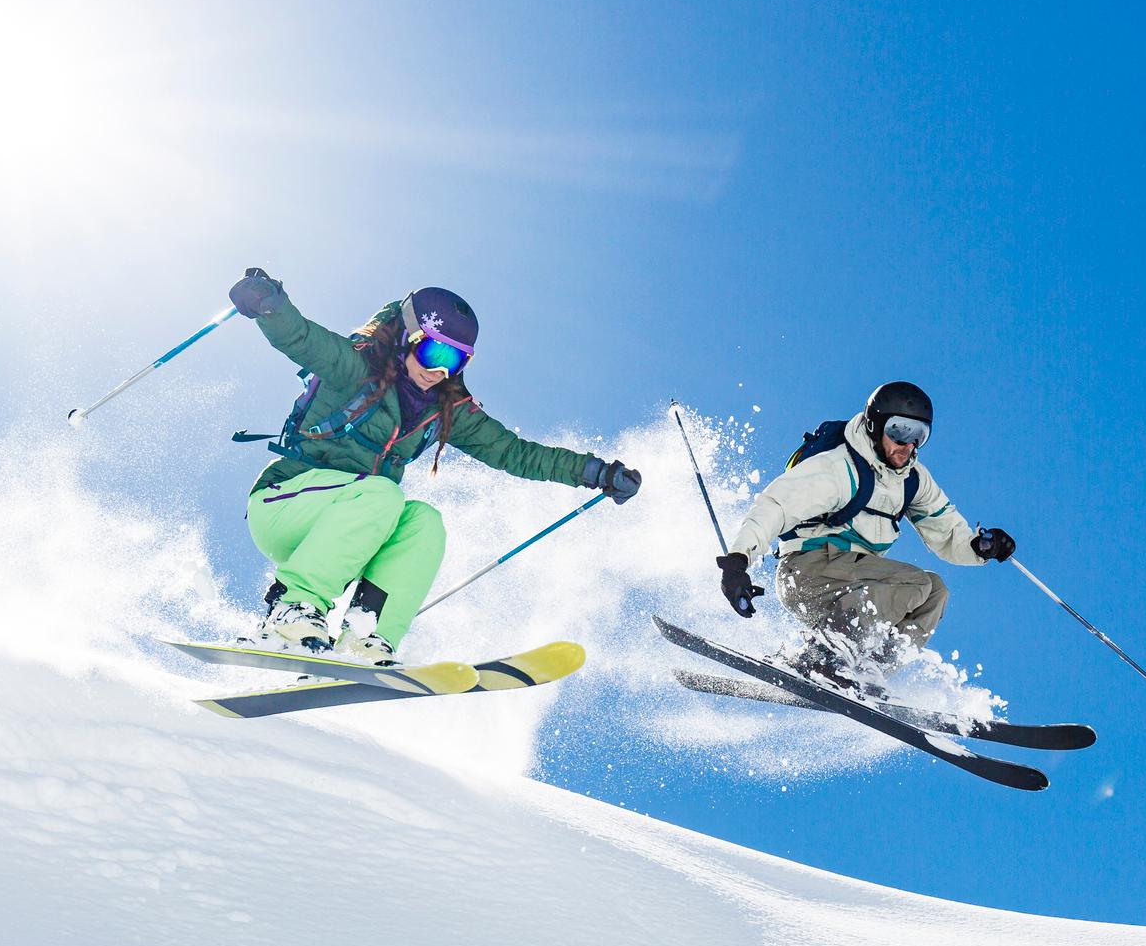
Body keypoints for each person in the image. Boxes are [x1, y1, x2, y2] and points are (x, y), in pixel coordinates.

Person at [226, 268, 639, 661]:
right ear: (407, 337)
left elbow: (515, 453)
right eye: (434, 352)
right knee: (384, 495)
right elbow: (302, 338)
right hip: (284, 505)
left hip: (347, 532)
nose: (439, 371)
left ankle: (366, 638)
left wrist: (595, 473)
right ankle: (292, 609)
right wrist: (269, 306)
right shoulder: (354, 368)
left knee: (423, 522)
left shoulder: (444, 410)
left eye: (454, 361)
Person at [713, 381, 1014, 685]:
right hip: (807, 571)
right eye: (900, 431)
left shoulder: (912, 480)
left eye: (919, 435)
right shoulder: (839, 467)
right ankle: (824, 656)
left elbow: (946, 529)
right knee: (917, 583)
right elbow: (777, 505)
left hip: (854, 584)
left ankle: (867, 670)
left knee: (936, 592)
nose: (908, 445)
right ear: (875, 425)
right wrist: (738, 562)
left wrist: (978, 546)